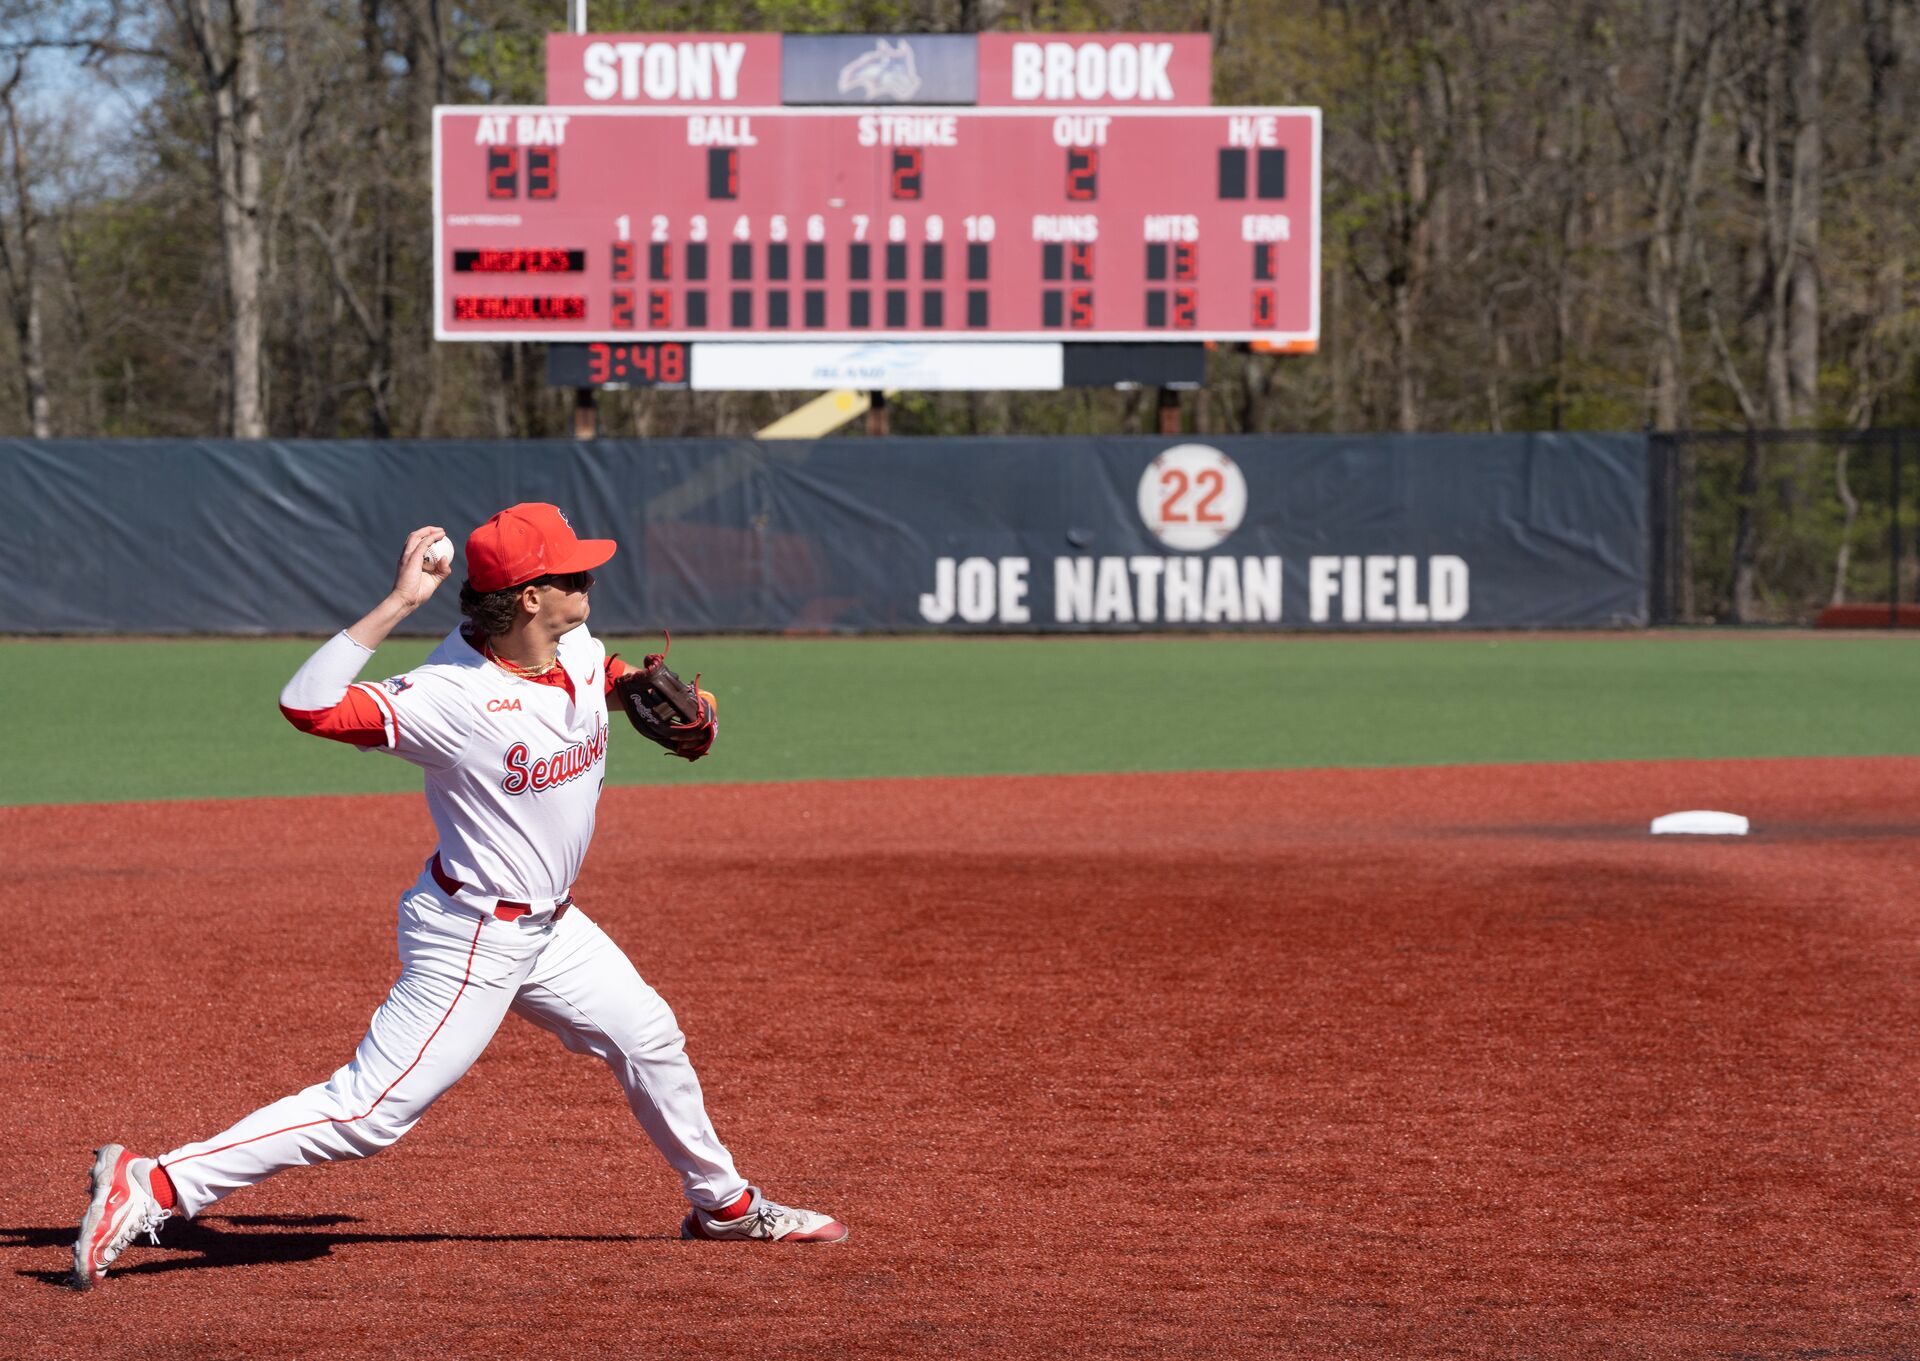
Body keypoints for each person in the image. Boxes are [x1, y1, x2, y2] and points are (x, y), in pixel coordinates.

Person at [72, 504, 846, 1289]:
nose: (590, 580)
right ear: (531, 597)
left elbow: (599, 677)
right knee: (369, 1112)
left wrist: (643, 694)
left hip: (552, 928)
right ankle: (158, 1182)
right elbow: (306, 705)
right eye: (572, 572)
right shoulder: (450, 694)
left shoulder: (572, 640)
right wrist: (401, 602)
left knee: (648, 1036)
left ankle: (724, 1204)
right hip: (472, 931)